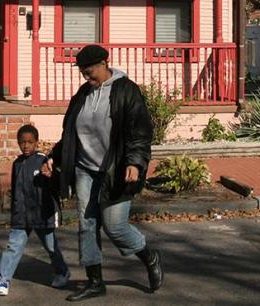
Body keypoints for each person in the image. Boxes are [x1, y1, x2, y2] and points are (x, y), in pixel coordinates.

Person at [41, 44, 164, 302]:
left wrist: (135, 162)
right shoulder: (83, 94)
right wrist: (54, 157)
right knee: (87, 225)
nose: (86, 75)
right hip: (85, 169)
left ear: (104, 63)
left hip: (115, 170)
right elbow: (71, 134)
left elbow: (139, 132)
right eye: (82, 71)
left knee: (115, 227)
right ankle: (95, 281)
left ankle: (149, 256)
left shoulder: (126, 91)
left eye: (89, 70)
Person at [0, 124, 70, 296]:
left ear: (36, 142)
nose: (26, 145)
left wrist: (51, 176)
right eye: (22, 142)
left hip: (42, 214)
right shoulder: (17, 164)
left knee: (51, 247)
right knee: (13, 247)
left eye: (30, 142)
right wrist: (15, 212)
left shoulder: (44, 160)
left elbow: (56, 185)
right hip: (21, 216)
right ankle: (3, 281)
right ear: (18, 143)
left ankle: (62, 272)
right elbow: (16, 190)